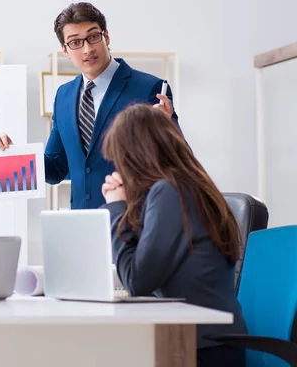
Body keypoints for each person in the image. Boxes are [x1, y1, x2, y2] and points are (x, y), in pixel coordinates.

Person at [0, 2, 181, 208]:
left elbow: (180, 163)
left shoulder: (149, 88)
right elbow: (56, 169)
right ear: (65, 50)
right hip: (82, 223)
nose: (87, 49)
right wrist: (14, 153)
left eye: (93, 37)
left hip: (133, 221)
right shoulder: (63, 95)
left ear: (106, 37)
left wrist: (167, 130)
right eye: (75, 42)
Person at [99, 104, 246, 367]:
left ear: (136, 156)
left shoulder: (170, 192)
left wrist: (115, 209)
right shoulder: (185, 185)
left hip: (201, 350)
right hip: (205, 342)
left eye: (121, 159)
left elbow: (137, 281)